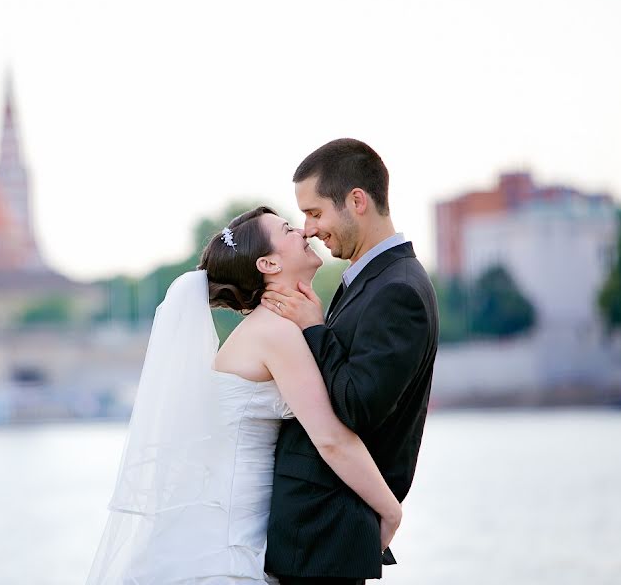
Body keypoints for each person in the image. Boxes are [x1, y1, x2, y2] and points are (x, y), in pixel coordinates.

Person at [86, 206, 402, 584]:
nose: (303, 232)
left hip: (242, 531)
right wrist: (390, 510)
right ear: (268, 264)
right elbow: (331, 439)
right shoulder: (274, 333)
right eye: (288, 229)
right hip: (229, 542)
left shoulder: (275, 327)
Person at [261, 138, 440, 584]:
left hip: (329, 531)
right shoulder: (372, 279)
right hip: (318, 532)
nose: (307, 229)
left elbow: (358, 406)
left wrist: (314, 330)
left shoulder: (398, 291)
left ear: (356, 201)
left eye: (315, 213)